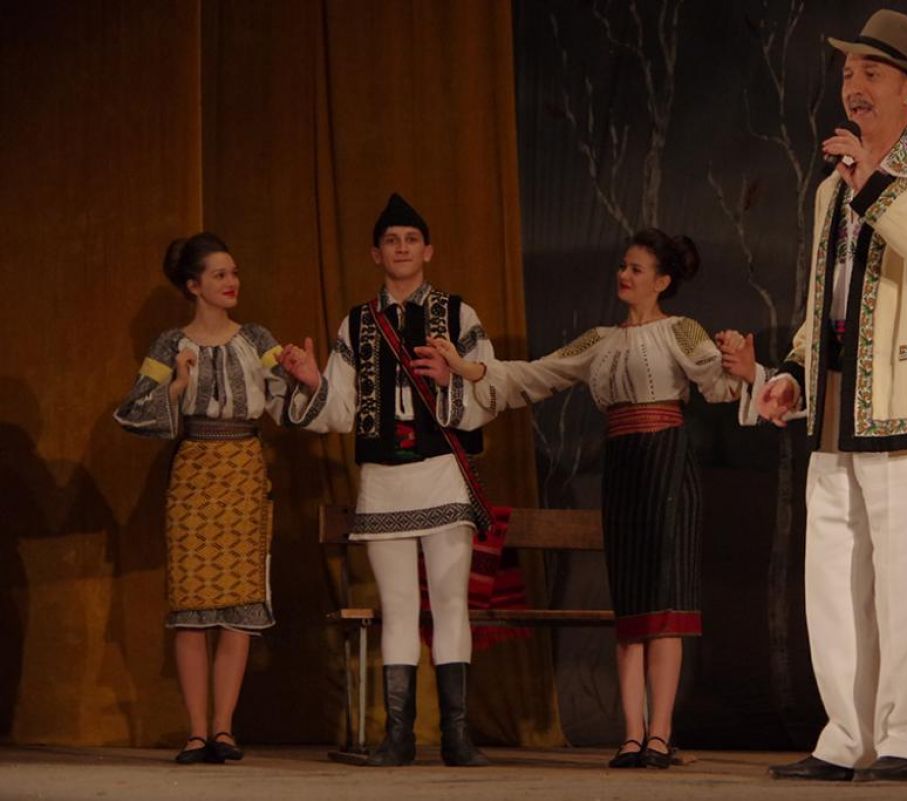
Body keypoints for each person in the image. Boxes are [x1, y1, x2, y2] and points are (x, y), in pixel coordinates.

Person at [738, 8, 907, 782]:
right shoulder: (830, 190)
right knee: (835, 586)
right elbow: (826, 303)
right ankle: (847, 737)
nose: (854, 85)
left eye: (871, 72)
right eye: (848, 72)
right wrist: (793, 371)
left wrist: (874, 184)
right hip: (838, 411)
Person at [429, 229, 761, 769]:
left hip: (667, 464)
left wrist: (739, 365)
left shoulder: (680, 330)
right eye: (623, 266)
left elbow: (716, 381)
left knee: (665, 603)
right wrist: (468, 370)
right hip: (623, 466)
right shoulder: (599, 341)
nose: (624, 275)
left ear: (662, 281)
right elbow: (536, 374)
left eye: (636, 269)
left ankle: (660, 735)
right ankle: (631, 735)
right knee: (630, 604)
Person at [280, 193, 495, 767]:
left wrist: (452, 376)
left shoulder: (459, 315)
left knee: (450, 603)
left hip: (443, 474)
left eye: (411, 240)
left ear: (429, 251)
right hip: (383, 479)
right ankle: (398, 736)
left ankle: (456, 737)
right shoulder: (357, 323)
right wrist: (311, 381)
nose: (401, 248)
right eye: (391, 241)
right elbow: (340, 408)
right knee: (397, 607)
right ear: (376, 254)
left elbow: (490, 388)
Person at [115, 233, 292, 764]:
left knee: (238, 606)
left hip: (243, 472)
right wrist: (176, 385)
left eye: (233, 272)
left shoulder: (257, 337)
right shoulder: (170, 345)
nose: (231, 282)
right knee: (193, 607)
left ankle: (223, 729)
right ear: (194, 286)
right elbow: (134, 409)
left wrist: (301, 374)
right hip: (193, 473)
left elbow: (290, 393)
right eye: (219, 274)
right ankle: (196, 732)